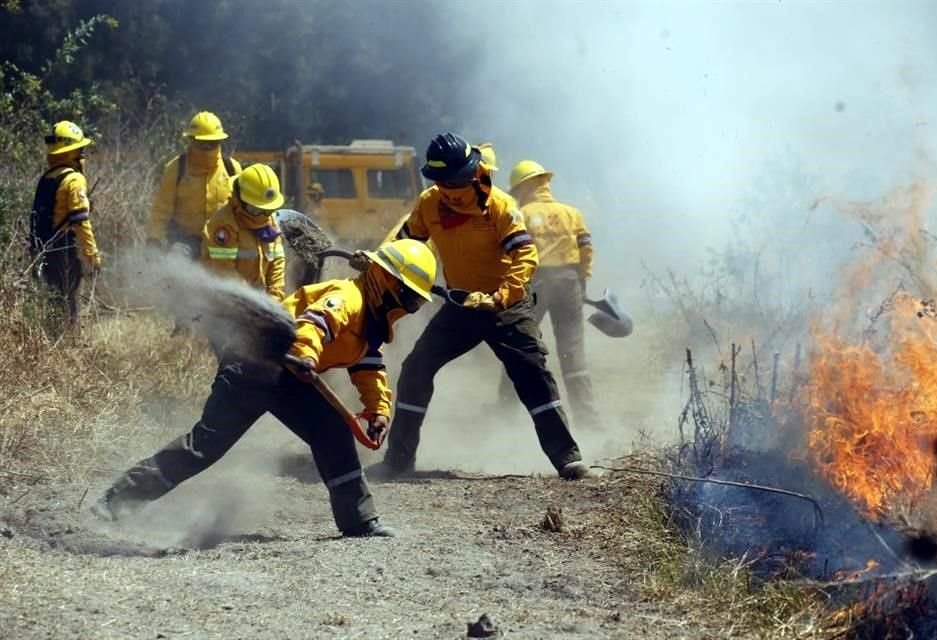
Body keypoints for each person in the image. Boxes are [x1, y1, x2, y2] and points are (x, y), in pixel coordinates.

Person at [90, 239, 439, 538]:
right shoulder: (347, 298)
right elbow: (313, 325)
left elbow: (367, 365)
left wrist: (378, 410)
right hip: (253, 365)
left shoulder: (371, 323)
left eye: (416, 303)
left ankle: (360, 521)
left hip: (293, 376)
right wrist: (304, 353)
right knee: (206, 445)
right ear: (385, 281)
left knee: (333, 434)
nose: (409, 309)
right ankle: (116, 500)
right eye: (409, 299)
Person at [367, 132, 589, 480]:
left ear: (474, 172)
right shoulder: (429, 204)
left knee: (533, 373)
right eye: (443, 182)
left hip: (506, 307)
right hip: (460, 306)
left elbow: (525, 253)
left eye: (458, 180)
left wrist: (502, 295)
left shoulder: (500, 205)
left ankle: (568, 459)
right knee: (415, 369)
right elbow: (405, 243)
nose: (452, 190)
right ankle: (398, 461)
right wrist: (378, 260)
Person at [497, 160, 596, 426]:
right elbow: (586, 248)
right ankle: (588, 419)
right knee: (573, 352)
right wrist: (582, 278)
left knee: (518, 346)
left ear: (525, 187)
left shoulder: (520, 214)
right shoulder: (571, 213)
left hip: (534, 284)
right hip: (569, 282)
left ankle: (504, 416)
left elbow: (509, 255)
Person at [29, 121, 102, 325]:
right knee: (68, 303)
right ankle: (67, 343)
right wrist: (92, 255)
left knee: (54, 301)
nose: (82, 154)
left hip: (42, 251)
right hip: (63, 251)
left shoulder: (47, 177)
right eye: (80, 149)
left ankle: (52, 339)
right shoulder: (74, 179)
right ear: (71, 151)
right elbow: (81, 222)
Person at [146, 111, 241, 258]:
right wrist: (153, 239)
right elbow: (161, 209)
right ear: (191, 140)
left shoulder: (232, 169)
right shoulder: (176, 168)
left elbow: (241, 210)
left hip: (223, 244)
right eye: (202, 143)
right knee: (177, 268)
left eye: (212, 143)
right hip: (184, 244)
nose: (207, 148)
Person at [201, 163, 286, 301]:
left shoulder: (270, 221)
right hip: (221, 304)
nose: (262, 216)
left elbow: (277, 265)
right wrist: (255, 303)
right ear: (241, 200)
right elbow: (224, 272)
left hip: (254, 303)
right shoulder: (224, 225)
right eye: (256, 210)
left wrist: (275, 300)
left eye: (268, 210)